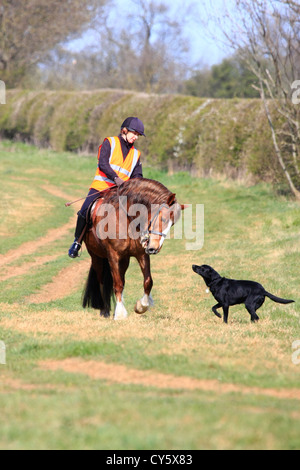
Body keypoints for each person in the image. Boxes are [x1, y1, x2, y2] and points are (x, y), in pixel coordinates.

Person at [68, 116, 145, 258]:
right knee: (84, 210)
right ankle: (77, 242)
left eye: (138, 135)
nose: (136, 137)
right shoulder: (110, 143)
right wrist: (116, 179)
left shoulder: (136, 154)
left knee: (138, 210)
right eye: (134, 134)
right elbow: (103, 164)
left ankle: (140, 242)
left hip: (121, 191)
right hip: (101, 186)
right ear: (124, 130)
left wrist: (133, 185)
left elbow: (137, 175)